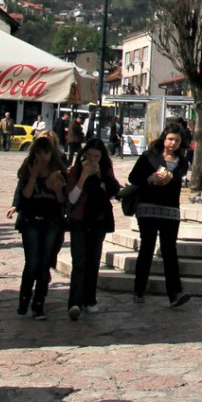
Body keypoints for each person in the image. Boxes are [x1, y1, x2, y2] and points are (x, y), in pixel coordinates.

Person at [128, 121, 192, 308]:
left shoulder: (182, 161)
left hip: (170, 209)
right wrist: (150, 178)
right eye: (170, 139)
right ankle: (139, 290)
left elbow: (179, 178)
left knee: (169, 250)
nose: (173, 143)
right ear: (164, 139)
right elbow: (134, 177)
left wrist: (169, 179)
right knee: (147, 247)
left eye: (177, 141)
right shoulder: (149, 156)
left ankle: (174, 293)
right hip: (148, 207)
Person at [6, 135, 67, 320]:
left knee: (44, 263)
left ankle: (38, 304)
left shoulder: (58, 170)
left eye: (46, 152)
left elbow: (63, 201)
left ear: (52, 153)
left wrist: (57, 189)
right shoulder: (29, 167)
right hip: (31, 220)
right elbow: (24, 195)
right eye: (40, 152)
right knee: (32, 262)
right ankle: (24, 300)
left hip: (52, 221)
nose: (43, 156)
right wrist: (33, 177)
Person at [63, 136, 121, 320]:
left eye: (96, 156)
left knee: (93, 260)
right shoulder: (76, 170)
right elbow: (71, 198)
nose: (93, 160)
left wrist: (99, 177)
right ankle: (75, 302)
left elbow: (113, 192)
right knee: (79, 261)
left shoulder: (106, 170)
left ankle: (90, 299)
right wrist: (83, 177)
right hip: (80, 219)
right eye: (90, 156)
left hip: (98, 220)